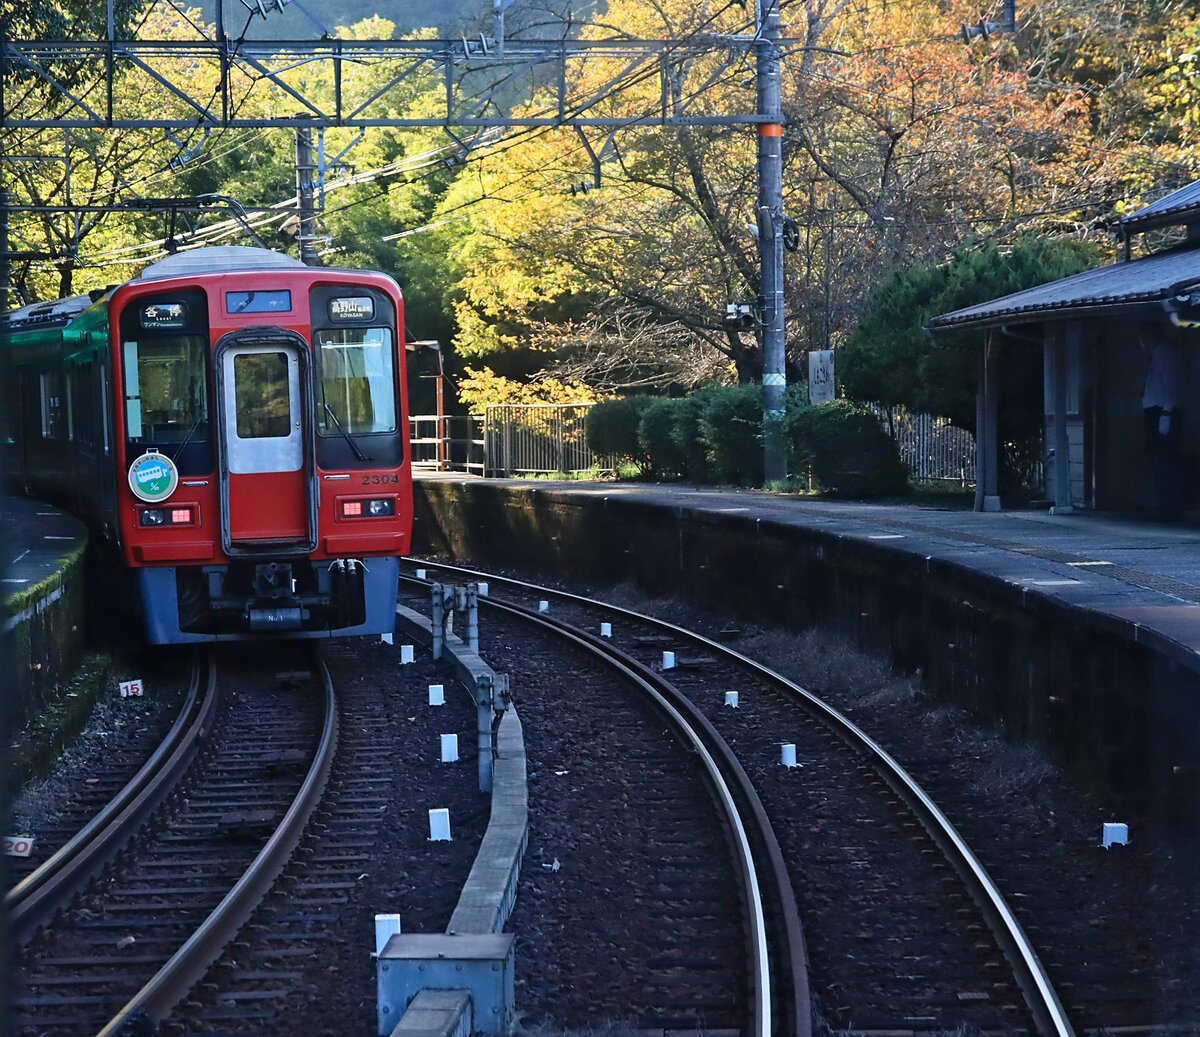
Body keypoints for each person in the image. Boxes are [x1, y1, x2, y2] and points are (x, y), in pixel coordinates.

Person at [1141, 325, 1187, 519]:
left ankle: (1171, 508)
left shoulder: (1165, 355)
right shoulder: (1157, 355)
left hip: (1163, 412)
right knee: (1158, 462)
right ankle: (1165, 505)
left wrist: (1166, 414)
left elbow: (1171, 385)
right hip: (1155, 412)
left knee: (1165, 461)